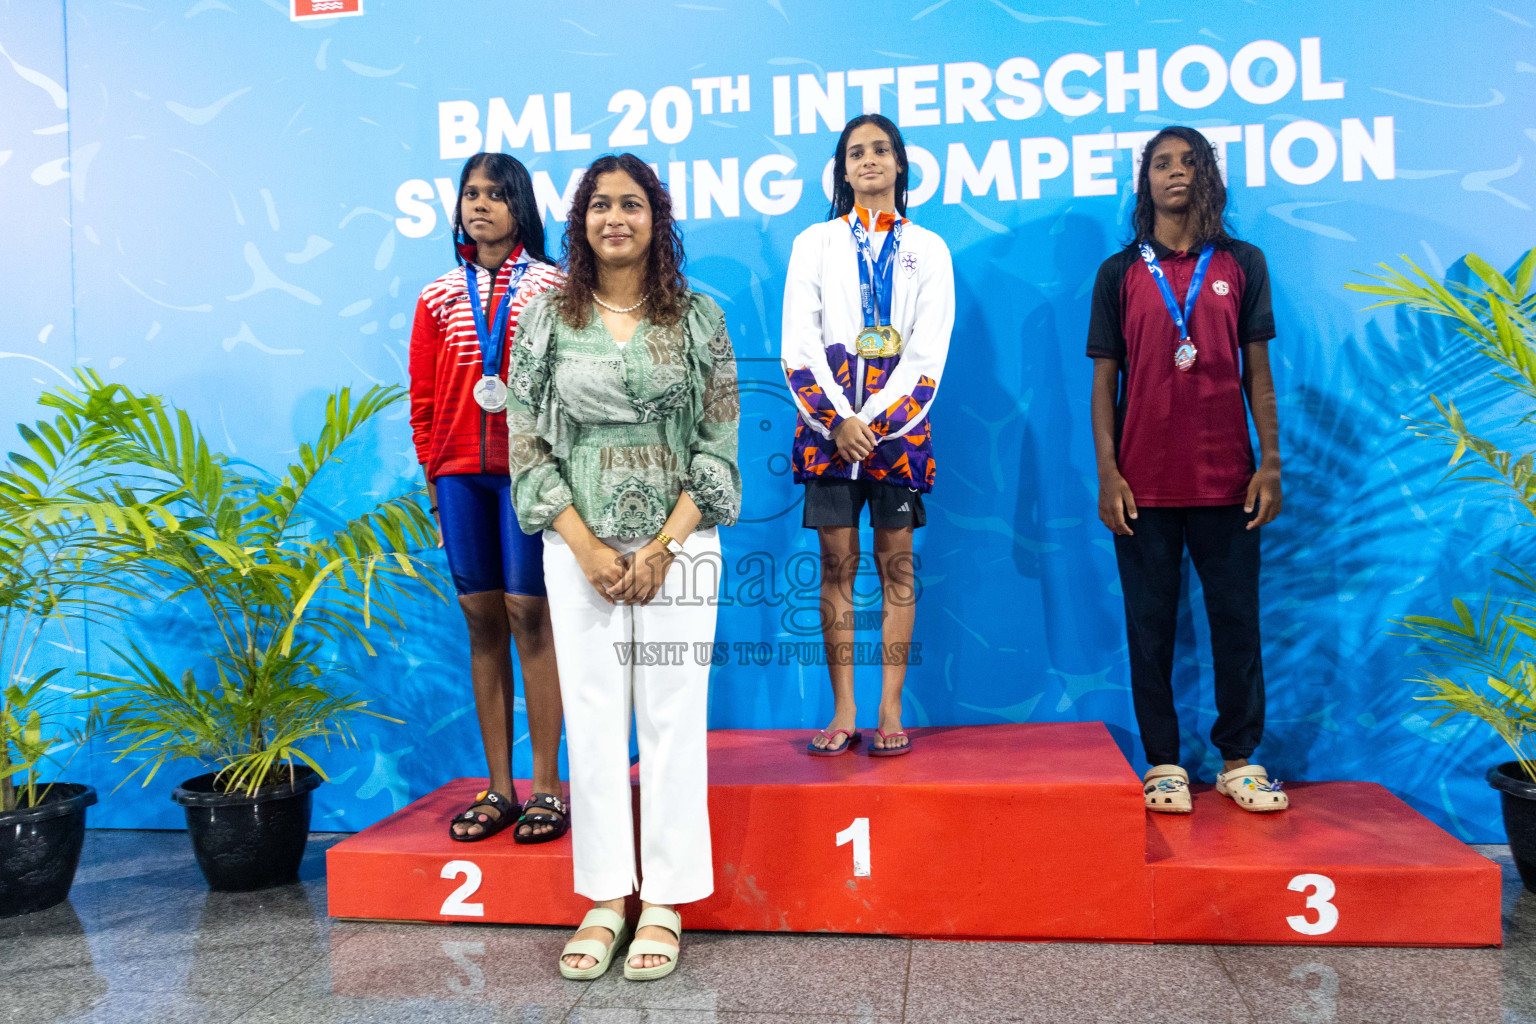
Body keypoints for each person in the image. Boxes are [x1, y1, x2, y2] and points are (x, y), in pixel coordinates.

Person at [505, 154, 740, 980]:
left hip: (680, 547)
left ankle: (668, 900)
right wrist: (588, 545)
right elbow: (527, 445)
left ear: (657, 218)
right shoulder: (543, 321)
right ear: (579, 222)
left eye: (631, 204)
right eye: (600, 205)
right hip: (579, 550)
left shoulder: (702, 318)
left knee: (673, 718)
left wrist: (666, 545)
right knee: (596, 720)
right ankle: (606, 897)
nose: (615, 218)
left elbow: (718, 451)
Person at [1086, 126, 1289, 815]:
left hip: (1229, 482)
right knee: (1151, 628)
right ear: (1144, 183)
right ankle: (1164, 761)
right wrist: (1109, 473)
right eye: (1161, 164)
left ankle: (1239, 759)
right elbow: (1104, 383)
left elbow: (1258, 375)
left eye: (1189, 163)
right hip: (1143, 489)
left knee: (1238, 623)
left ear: (1209, 178)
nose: (1175, 174)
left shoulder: (1244, 262)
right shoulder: (1119, 274)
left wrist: (1270, 463)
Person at [780, 113, 954, 757]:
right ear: (842, 168)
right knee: (835, 566)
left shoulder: (928, 248)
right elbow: (798, 343)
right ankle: (845, 707)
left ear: (901, 164)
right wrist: (836, 422)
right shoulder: (815, 243)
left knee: (897, 567)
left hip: (896, 434)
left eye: (881, 150)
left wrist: (873, 424)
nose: (870, 160)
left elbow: (927, 354)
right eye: (857, 152)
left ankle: (889, 705)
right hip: (826, 433)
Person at [408, 153, 569, 844]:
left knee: (530, 619)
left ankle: (547, 788)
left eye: (496, 195)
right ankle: (498, 786)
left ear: (520, 207)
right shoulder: (439, 295)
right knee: (482, 625)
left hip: (526, 475)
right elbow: (421, 399)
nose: (480, 205)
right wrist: (435, 475)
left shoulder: (553, 287)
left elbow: (569, 385)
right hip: (458, 478)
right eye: (470, 194)